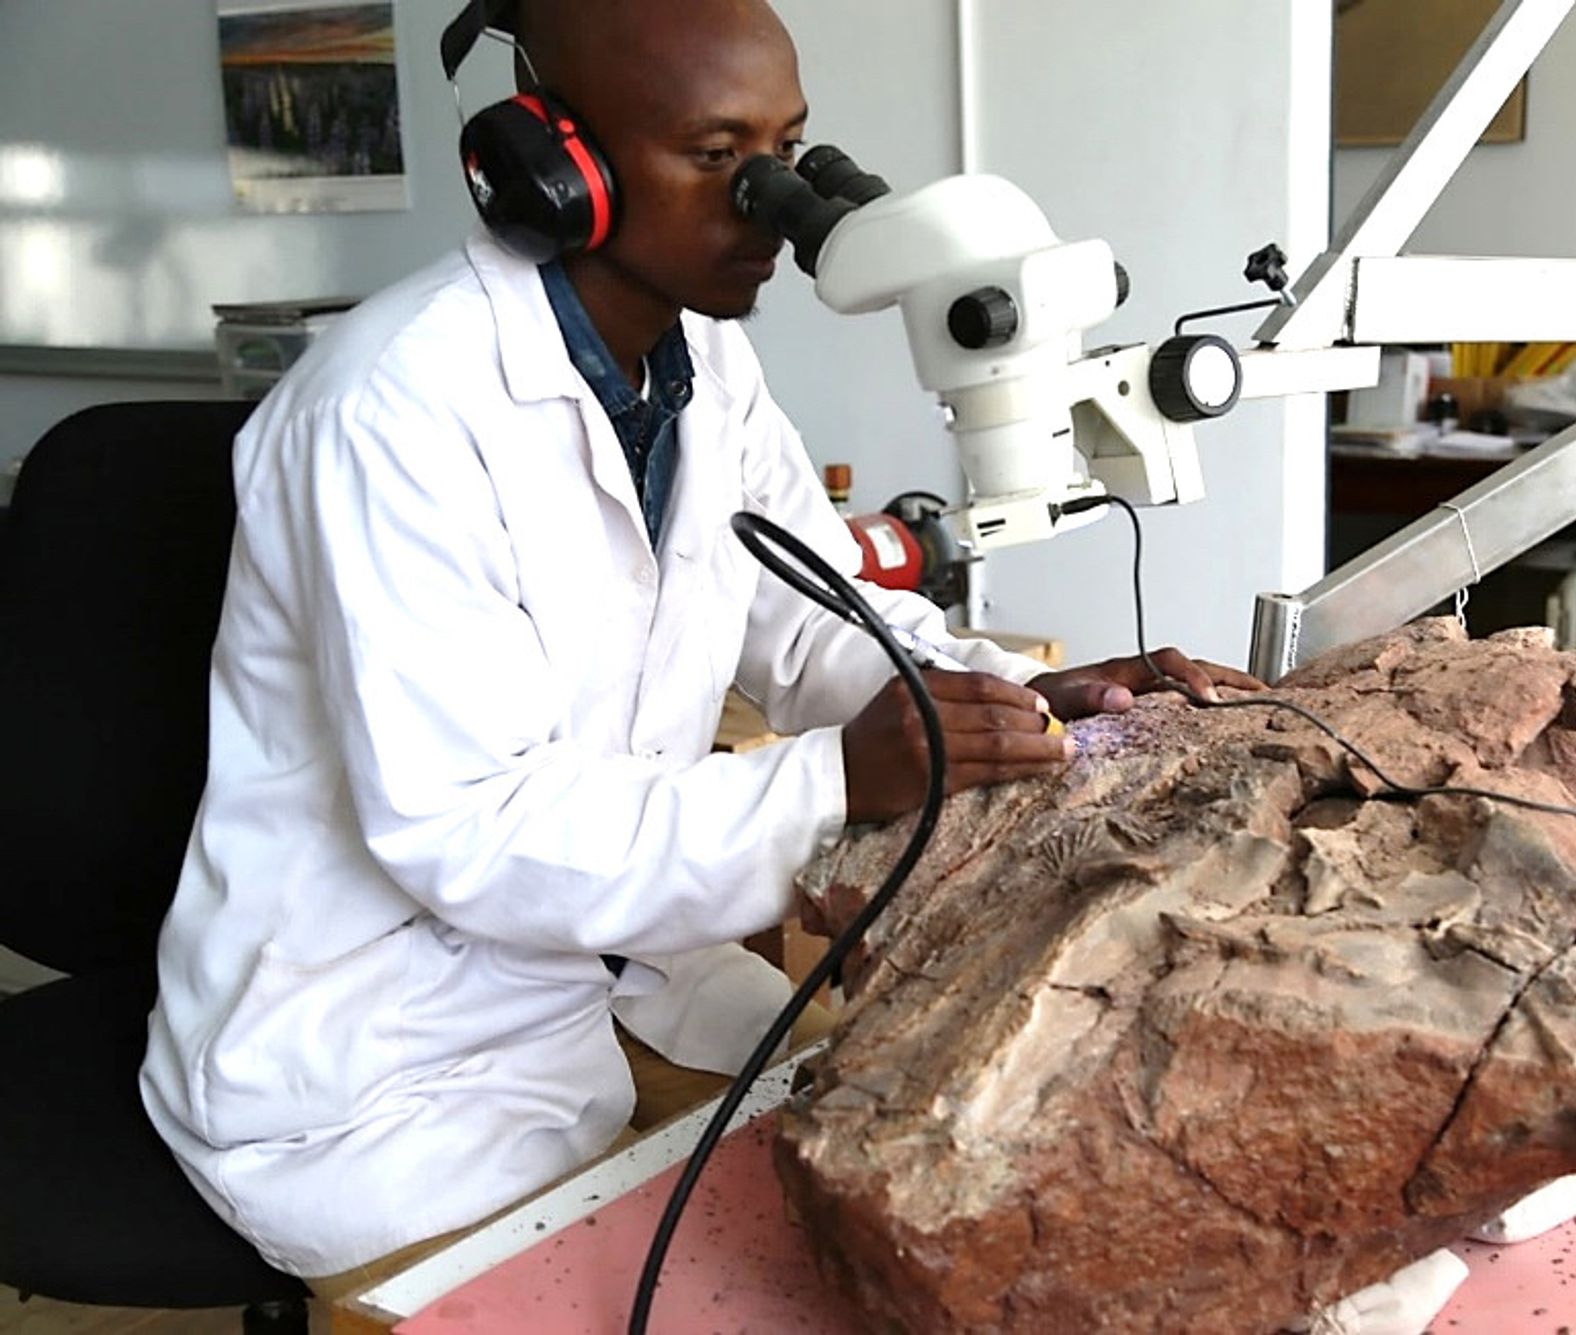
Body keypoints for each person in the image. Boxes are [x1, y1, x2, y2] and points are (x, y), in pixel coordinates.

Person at [139, 0, 1256, 1294]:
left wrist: (999, 694)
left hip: (604, 980)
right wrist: (842, 778)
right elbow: (468, 825)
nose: (777, 206)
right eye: (721, 156)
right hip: (378, 1067)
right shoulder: (389, 409)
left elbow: (813, 614)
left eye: (790, 150)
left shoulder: (704, 371)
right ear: (558, 174)